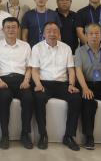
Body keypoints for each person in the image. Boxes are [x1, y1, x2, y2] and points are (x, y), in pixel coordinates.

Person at [31, 21, 81, 151]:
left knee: (76, 98)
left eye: (55, 31)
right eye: (49, 31)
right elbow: (34, 70)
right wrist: (38, 84)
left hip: (62, 84)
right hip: (44, 83)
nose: (52, 34)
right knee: (38, 98)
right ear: (43, 34)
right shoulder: (37, 48)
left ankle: (69, 136)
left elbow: (71, 70)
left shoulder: (66, 48)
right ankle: (43, 135)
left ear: (59, 33)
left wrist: (71, 84)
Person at [73, 23, 101, 150]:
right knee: (88, 102)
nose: (94, 36)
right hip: (86, 84)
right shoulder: (79, 51)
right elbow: (78, 71)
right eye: (91, 33)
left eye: (97, 33)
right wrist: (85, 88)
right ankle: (89, 137)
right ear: (86, 35)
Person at [0, 17, 35, 149]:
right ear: (3, 29)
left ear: (18, 29)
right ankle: (5, 135)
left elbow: (29, 67)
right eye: (8, 27)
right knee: (4, 98)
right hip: (3, 80)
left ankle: (25, 134)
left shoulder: (25, 46)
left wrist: (26, 81)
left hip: (21, 80)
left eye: (13, 27)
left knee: (28, 98)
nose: (11, 30)